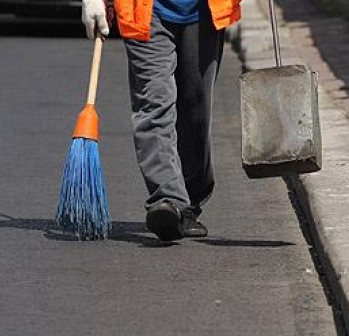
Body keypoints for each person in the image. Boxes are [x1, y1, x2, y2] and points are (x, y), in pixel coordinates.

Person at [82, 0, 241, 241]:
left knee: (195, 108)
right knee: (153, 104)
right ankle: (168, 198)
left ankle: (189, 203)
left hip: (204, 12)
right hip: (144, 11)